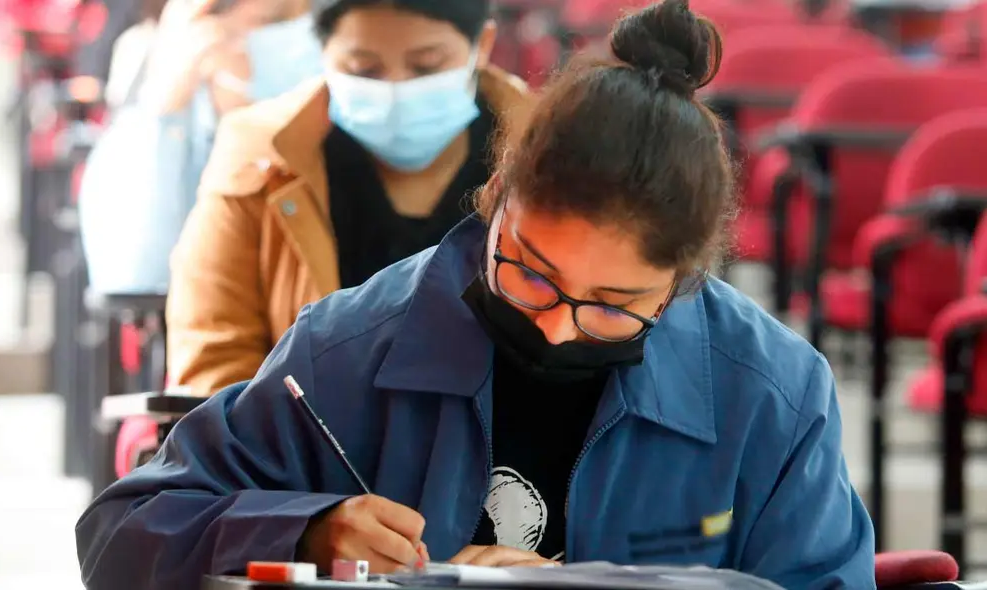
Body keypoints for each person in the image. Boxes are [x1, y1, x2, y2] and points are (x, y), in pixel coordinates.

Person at [76, 1, 876, 588]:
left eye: (612, 306)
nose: (556, 330)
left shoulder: (769, 392)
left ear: (683, 282)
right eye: (531, 274)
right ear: (496, 198)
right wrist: (307, 532)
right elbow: (120, 535)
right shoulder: (349, 349)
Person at [164, 0, 529, 396]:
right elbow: (216, 357)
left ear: (482, 44)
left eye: (426, 66)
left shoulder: (546, 152)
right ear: (321, 49)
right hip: (298, 432)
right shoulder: (260, 158)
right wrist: (278, 430)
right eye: (363, 69)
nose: (395, 90)